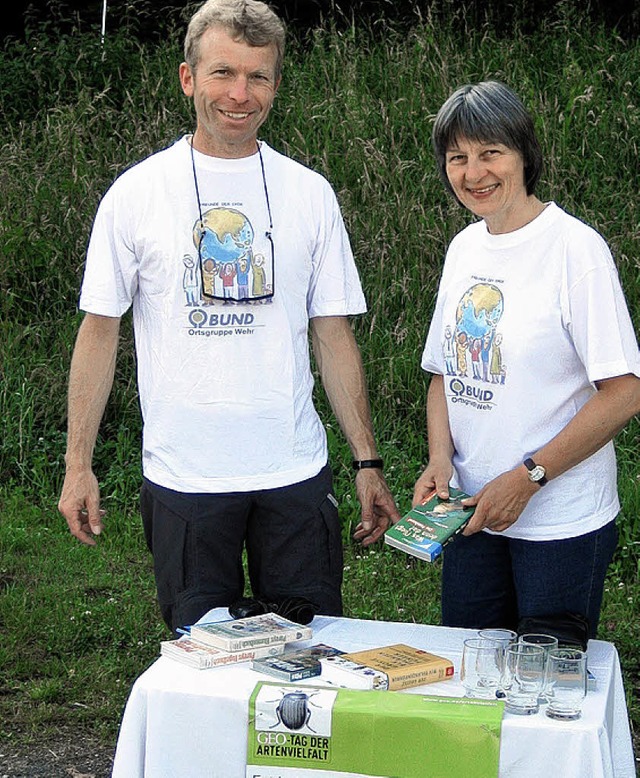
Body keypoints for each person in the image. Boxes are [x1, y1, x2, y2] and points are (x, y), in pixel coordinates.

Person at [58, 0, 399, 634]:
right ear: (188, 78)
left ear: (275, 83)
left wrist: (367, 462)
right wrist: (79, 464)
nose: (240, 94)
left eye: (258, 77)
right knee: (202, 664)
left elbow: (332, 334)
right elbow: (99, 333)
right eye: (223, 73)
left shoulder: (310, 193)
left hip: (294, 474)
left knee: (307, 662)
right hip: (185, 479)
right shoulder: (137, 193)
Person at [414, 80, 640, 638]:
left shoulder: (574, 250)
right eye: (458, 157)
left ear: (524, 155)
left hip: (560, 525)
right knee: (471, 686)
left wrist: (530, 477)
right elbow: (446, 371)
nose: (474, 173)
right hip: (469, 513)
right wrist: (439, 460)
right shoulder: (464, 248)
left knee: (547, 691)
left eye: (491, 153)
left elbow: (625, 391)